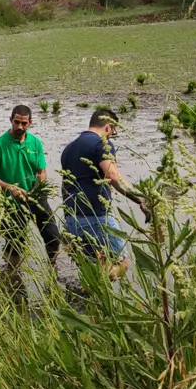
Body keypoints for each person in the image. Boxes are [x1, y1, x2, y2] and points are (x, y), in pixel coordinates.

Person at [60, 107, 149, 280]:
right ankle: (103, 292)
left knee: (92, 266)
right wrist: (140, 199)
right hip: (97, 217)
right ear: (108, 127)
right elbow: (113, 176)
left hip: (72, 218)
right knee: (122, 263)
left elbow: (64, 186)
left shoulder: (69, 149)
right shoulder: (102, 143)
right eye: (112, 133)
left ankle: (90, 300)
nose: (110, 137)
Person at [0, 105, 60, 270]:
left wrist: (38, 186)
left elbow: (42, 171)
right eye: (16, 122)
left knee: (53, 235)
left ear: (30, 123)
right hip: (10, 200)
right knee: (16, 242)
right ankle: (12, 273)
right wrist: (11, 188)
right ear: (11, 120)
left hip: (34, 195)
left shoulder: (35, 143)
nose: (20, 127)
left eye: (24, 123)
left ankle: (53, 267)